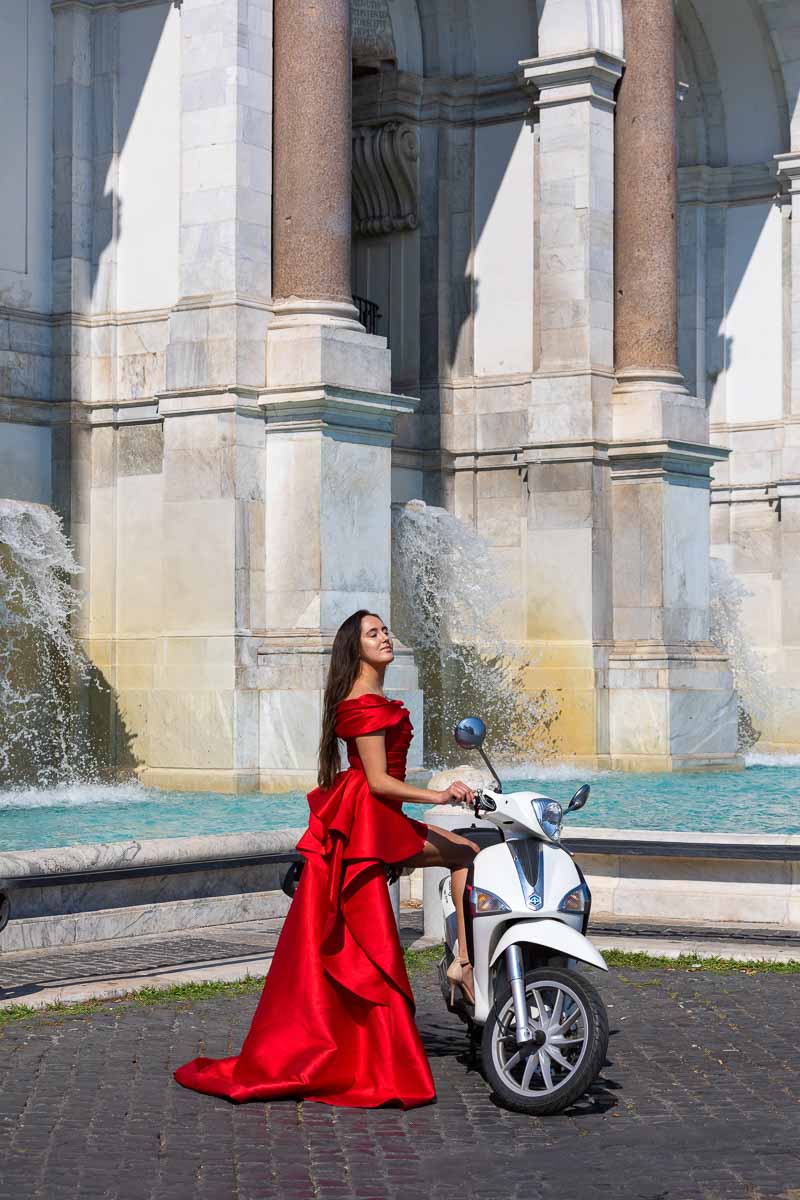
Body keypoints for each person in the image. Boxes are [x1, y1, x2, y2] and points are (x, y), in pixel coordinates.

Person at [174, 609, 479, 1109]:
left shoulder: (373, 699)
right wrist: (440, 796)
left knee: (460, 857)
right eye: (372, 634)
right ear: (354, 648)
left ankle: (458, 965)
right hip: (368, 821)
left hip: (375, 818)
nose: (384, 637)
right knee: (457, 860)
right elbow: (378, 781)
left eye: (384, 630)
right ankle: (459, 967)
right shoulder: (361, 703)